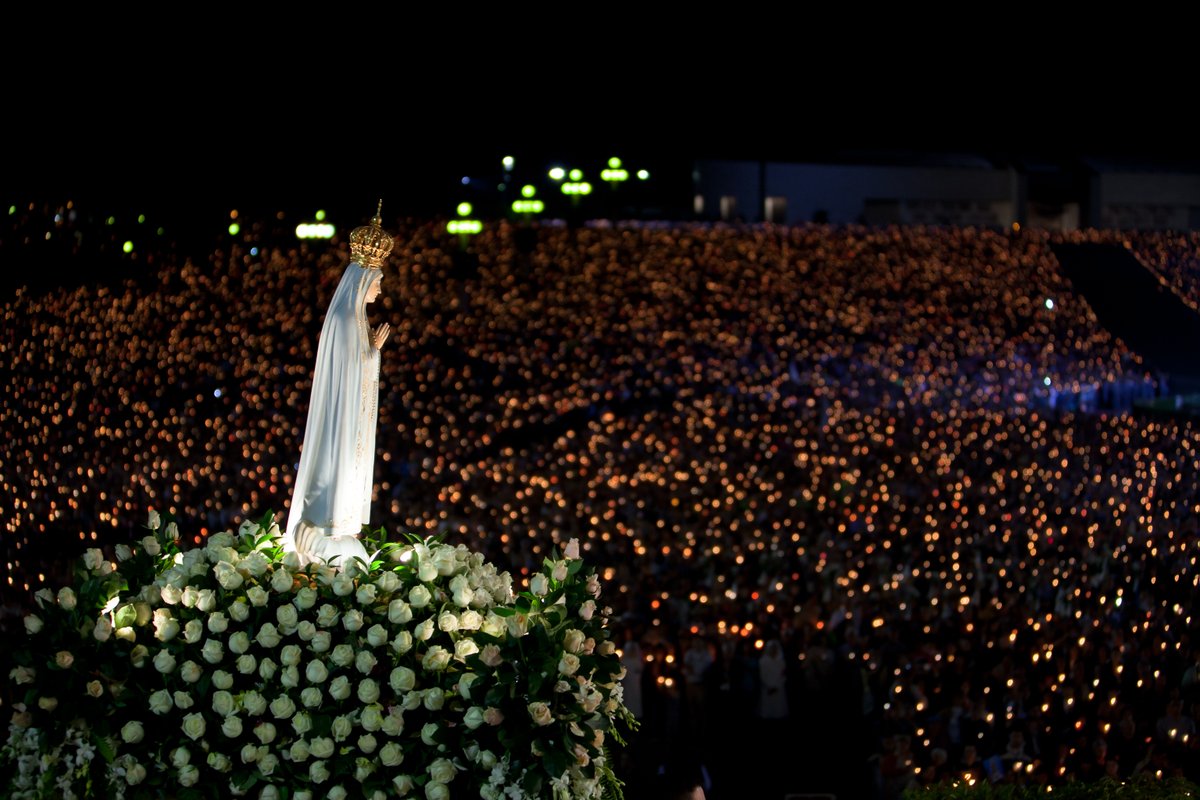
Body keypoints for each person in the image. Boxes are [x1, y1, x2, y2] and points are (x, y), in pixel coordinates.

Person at [285, 204, 393, 570]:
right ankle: (325, 520)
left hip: (353, 414)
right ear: (362, 282)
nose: (379, 291)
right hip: (341, 416)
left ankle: (339, 520)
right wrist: (372, 354)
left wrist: (372, 353)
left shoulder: (357, 318)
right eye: (377, 283)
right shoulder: (348, 319)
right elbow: (348, 372)